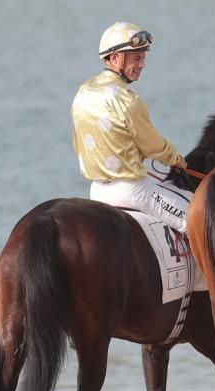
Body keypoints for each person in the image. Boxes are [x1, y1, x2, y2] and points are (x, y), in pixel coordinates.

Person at [71, 22, 191, 236]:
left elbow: (77, 142)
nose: (142, 64)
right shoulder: (127, 99)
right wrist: (175, 158)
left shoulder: (83, 91)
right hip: (132, 191)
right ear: (116, 58)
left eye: (143, 58)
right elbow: (152, 144)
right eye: (137, 58)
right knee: (200, 223)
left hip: (97, 191)